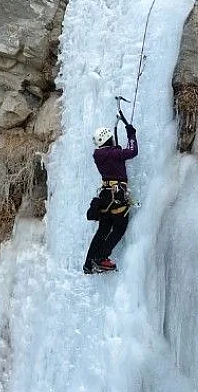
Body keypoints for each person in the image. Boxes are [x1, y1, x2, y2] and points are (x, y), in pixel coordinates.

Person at [83, 110, 138, 274]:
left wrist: (116, 146)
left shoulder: (99, 154)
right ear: (109, 138)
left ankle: (88, 263)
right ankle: (101, 258)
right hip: (117, 195)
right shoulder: (114, 153)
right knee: (120, 227)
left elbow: (114, 153)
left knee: (103, 229)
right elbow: (132, 151)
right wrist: (131, 134)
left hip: (106, 196)